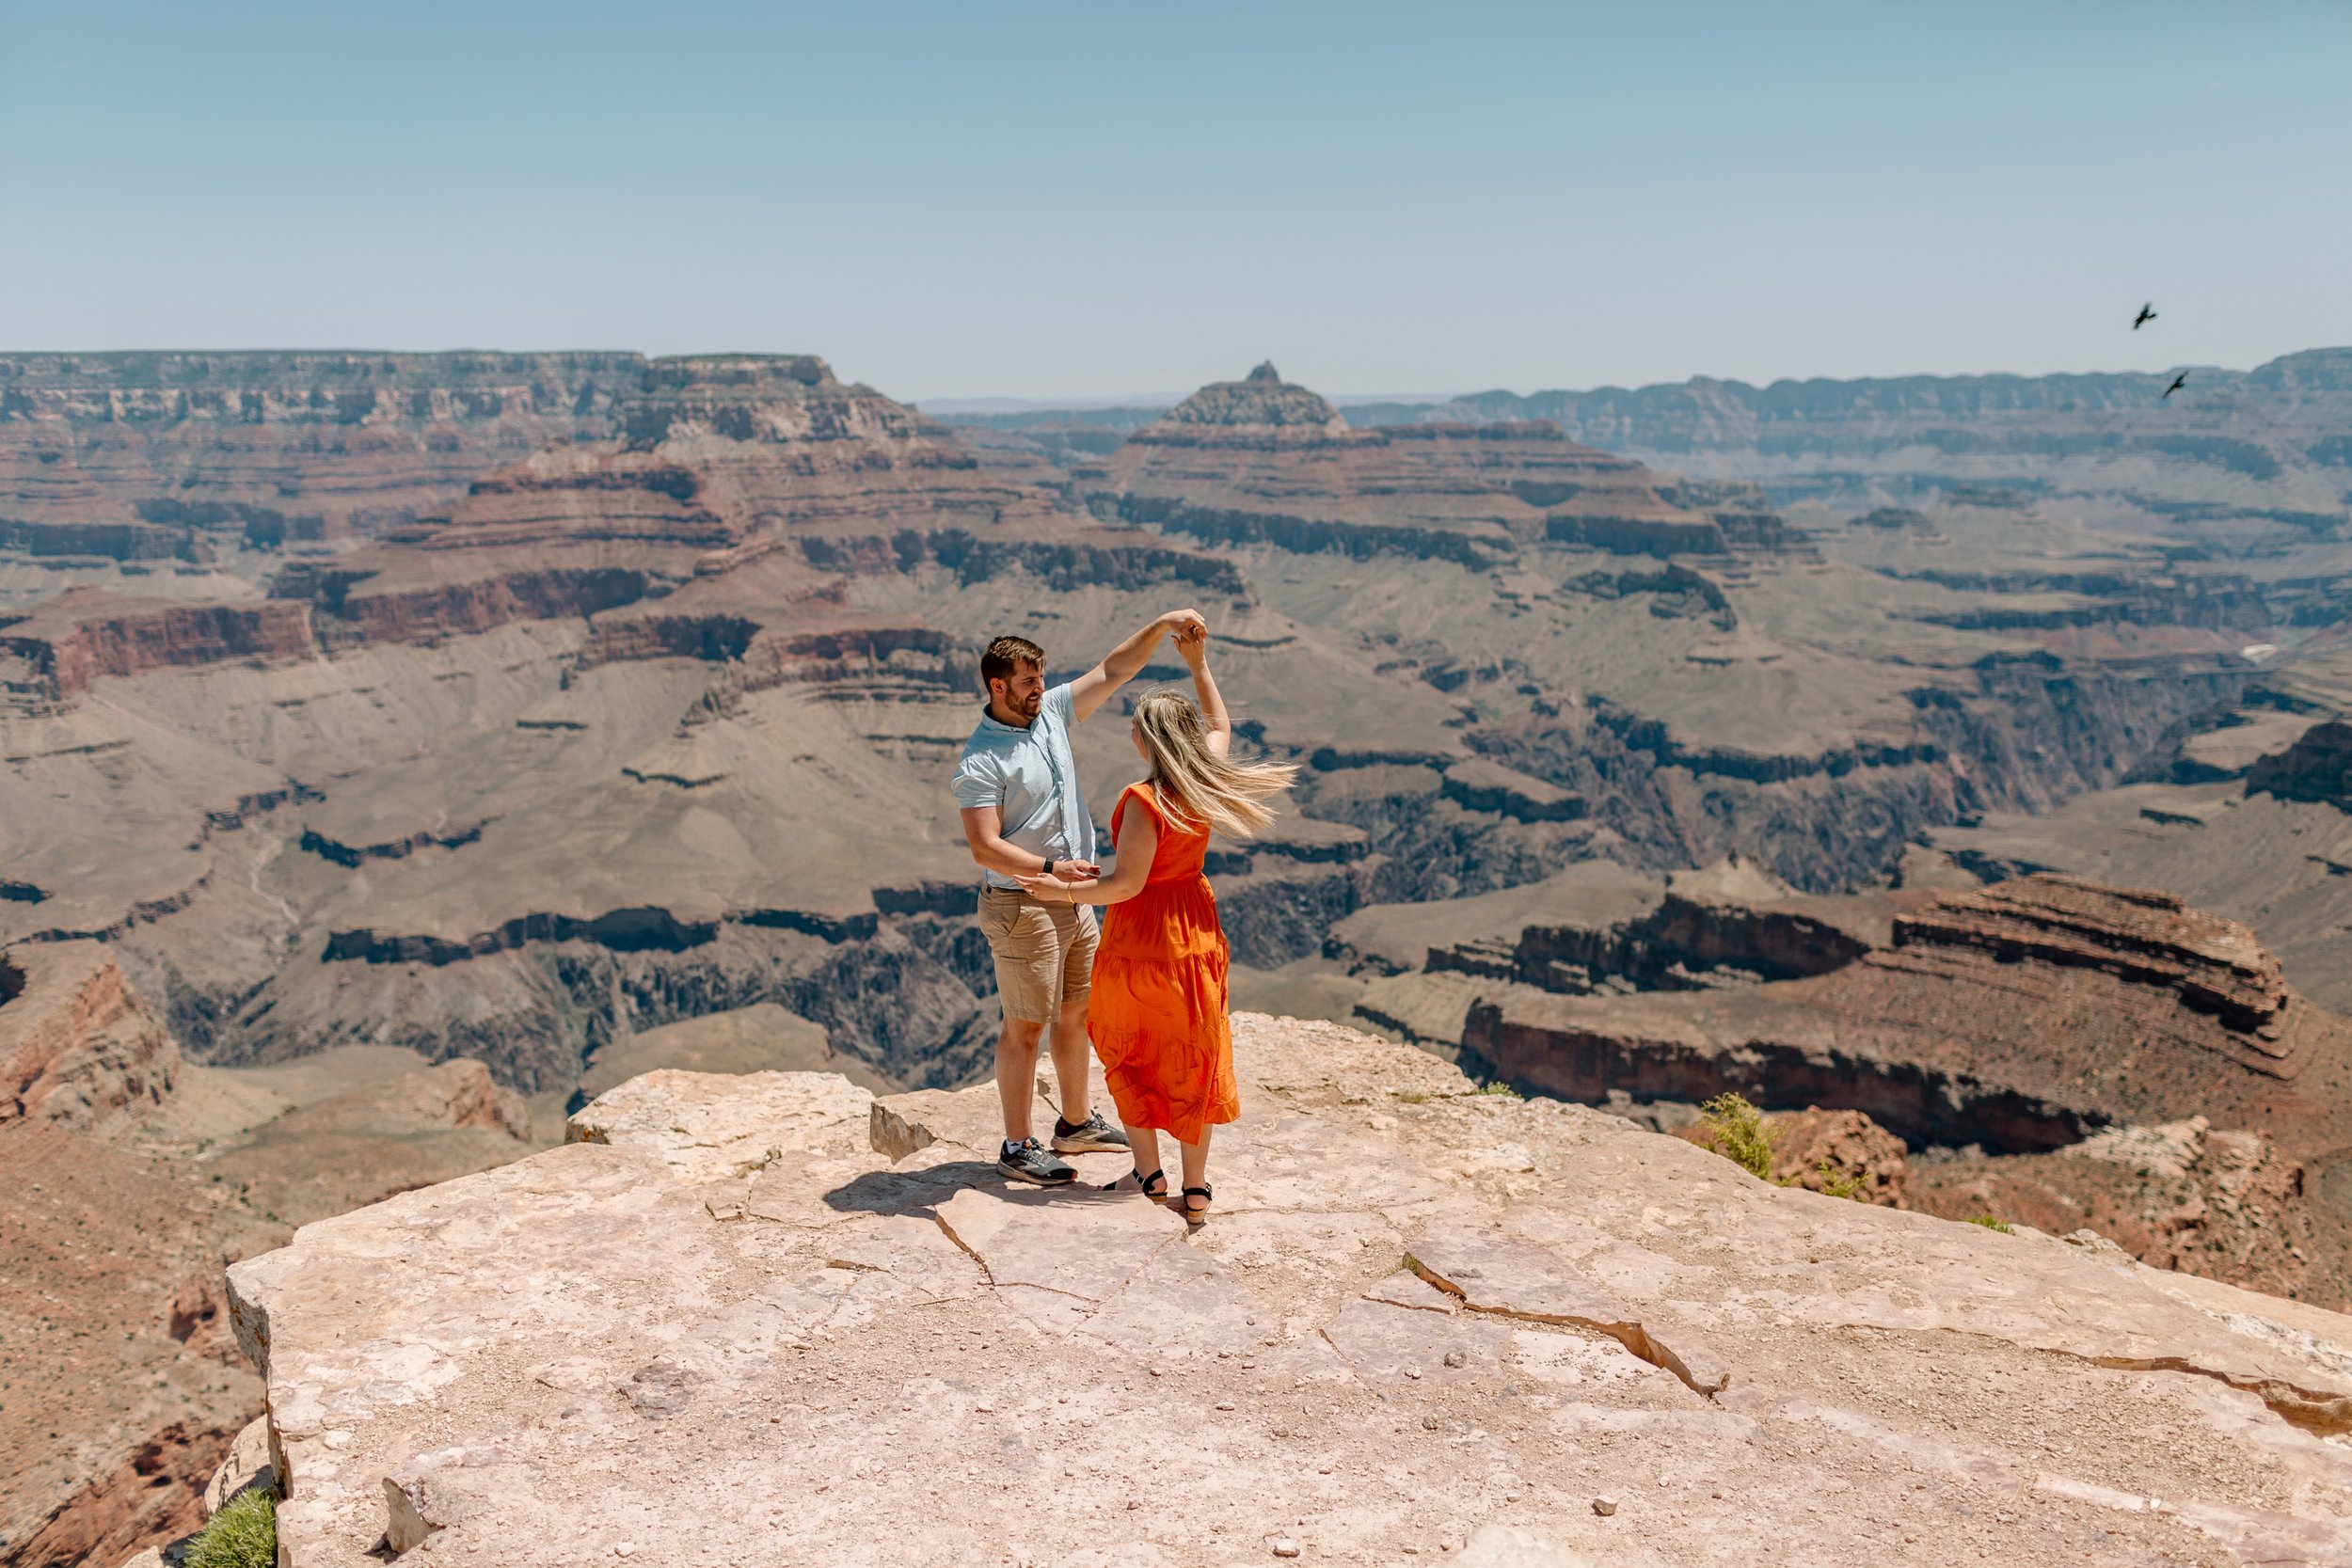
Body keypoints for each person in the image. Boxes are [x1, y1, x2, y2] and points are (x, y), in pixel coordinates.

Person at [1015, 622, 1295, 1222]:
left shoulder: (1145, 802)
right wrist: (1200, 665)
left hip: (1143, 937)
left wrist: (1056, 890)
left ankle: (1149, 1173)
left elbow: (1127, 885)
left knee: (1129, 1050)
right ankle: (1196, 1189)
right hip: (1194, 933)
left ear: (1146, 740)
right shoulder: (1204, 780)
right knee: (1195, 1055)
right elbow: (1220, 728)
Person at [953, 610, 1208, 1184]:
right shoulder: (980, 760)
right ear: (998, 686)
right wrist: (1050, 869)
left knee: (1076, 1015)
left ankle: (1074, 1125)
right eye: (1027, 681)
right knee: (1024, 1024)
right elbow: (984, 847)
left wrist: (1163, 624)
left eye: (1042, 677)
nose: (1040, 689)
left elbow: (1115, 669)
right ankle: (1017, 1146)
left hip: (1075, 899)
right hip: (1023, 905)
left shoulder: (1051, 716)